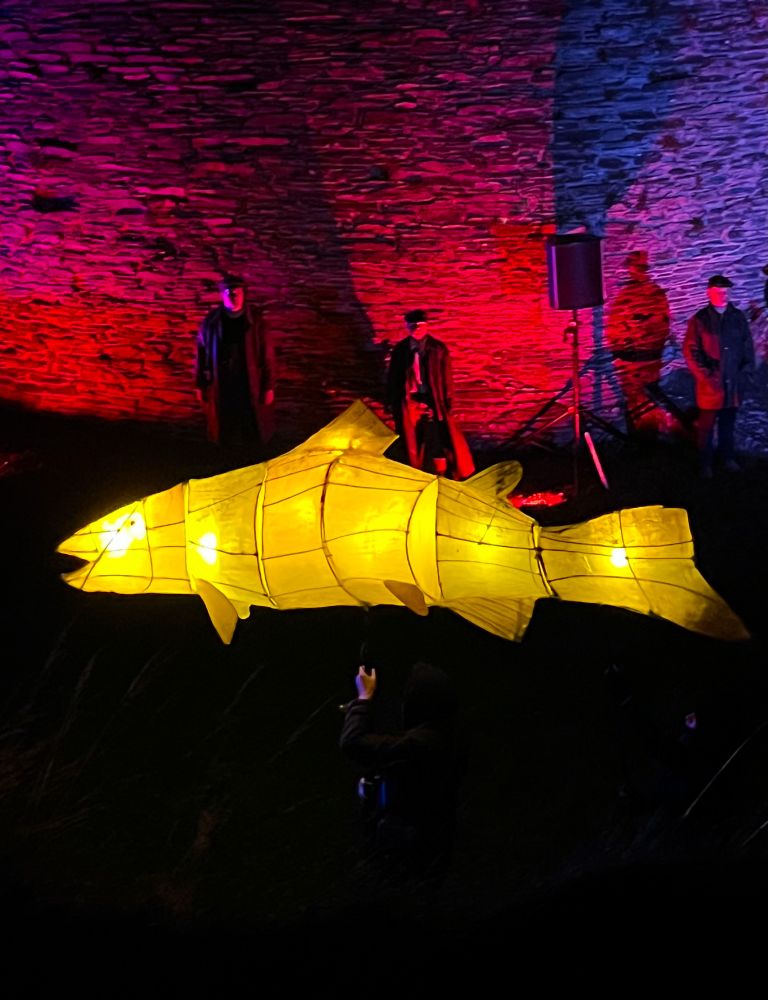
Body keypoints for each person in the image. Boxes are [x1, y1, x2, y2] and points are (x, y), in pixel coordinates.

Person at [339, 660, 460, 885]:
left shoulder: (423, 743)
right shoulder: (443, 736)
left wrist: (363, 699)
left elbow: (352, 743)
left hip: (411, 857)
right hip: (425, 850)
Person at [385, 309, 474, 480]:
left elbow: (446, 376)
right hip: (410, 398)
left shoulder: (438, 349)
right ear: (407, 327)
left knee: (442, 433)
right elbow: (393, 376)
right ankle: (413, 472)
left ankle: (452, 471)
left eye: (420, 325)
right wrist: (391, 400)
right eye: (413, 325)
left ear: (427, 326)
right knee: (410, 436)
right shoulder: (401, 350)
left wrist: (448, 401)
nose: (417, 328)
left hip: (434, 397)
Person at [195, 274, 275, 456]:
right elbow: (201, 353)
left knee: (251, 424)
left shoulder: (256, 322)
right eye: (228, 292)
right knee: (225, 425)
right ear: (222, 295)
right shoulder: (211, 323)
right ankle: (226, 460)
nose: (233, 296)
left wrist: (268, 386)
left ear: (243, 294)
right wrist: (200, 383)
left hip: (249, 382)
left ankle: (253, 459)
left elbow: (267, 355)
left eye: (236, 292)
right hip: (222, 383)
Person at [682, 274, 754, 477]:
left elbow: (747, 346)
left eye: (726, 292)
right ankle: (706, 464)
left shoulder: (737, 317)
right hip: (711, 386)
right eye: (718, 292)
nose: (723, 296)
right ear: (709, 293)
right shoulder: (700, 320)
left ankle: (727, 458)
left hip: (733, 385)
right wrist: (706, 375)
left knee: (728, 424)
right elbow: (691, 350)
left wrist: (745, 372)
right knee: (706, 428)